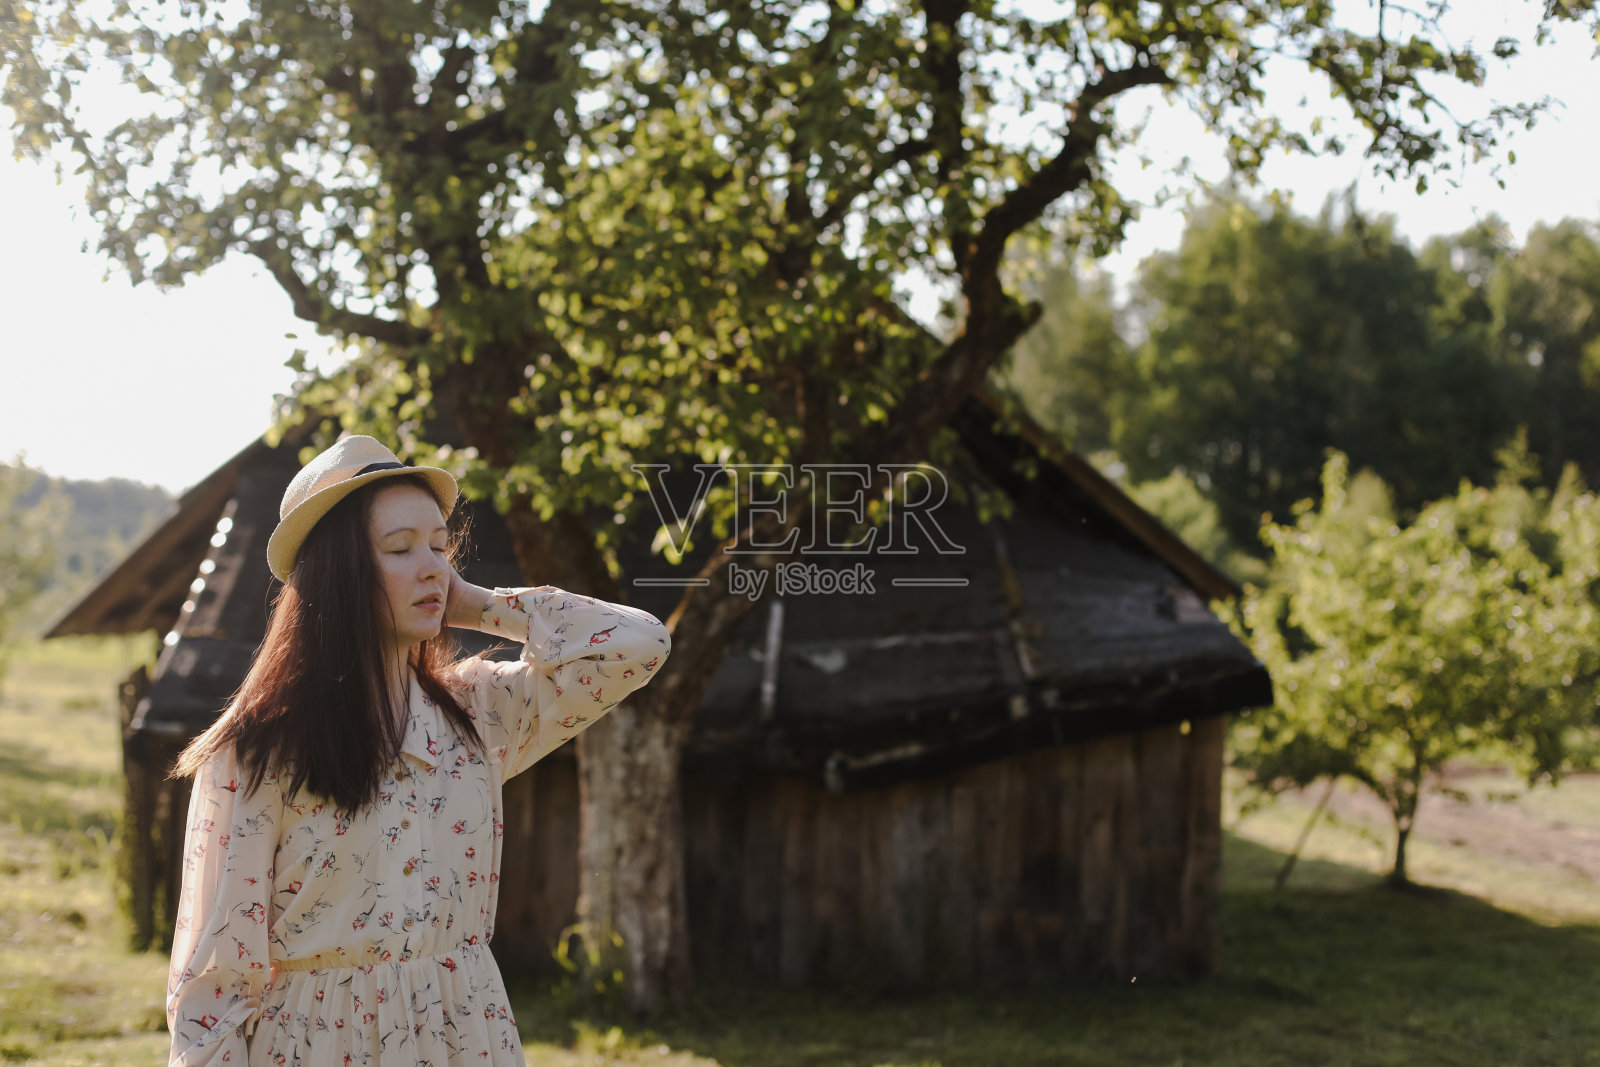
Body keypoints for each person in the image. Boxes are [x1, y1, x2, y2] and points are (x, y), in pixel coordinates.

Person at [165, 435, 672, 1066]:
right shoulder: (260, 749)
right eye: (401, 549)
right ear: (339, 573)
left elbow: (639, 644)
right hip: (318, 1045)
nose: (434, 566)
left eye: (441, 546)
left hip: (465, 1035)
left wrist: (482, 606)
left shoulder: (475, 715)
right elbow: (212, 987)